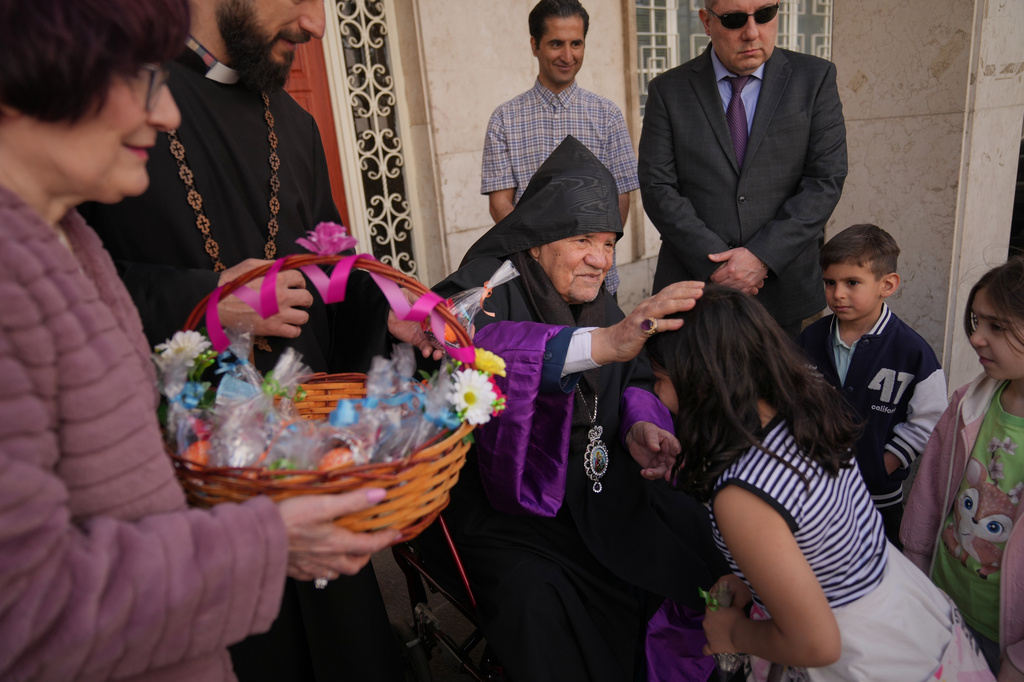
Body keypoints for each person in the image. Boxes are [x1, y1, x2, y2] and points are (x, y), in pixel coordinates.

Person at [0, 1, 400, 680]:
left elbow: (328, 269)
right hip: (188, 511)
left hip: (297, 460)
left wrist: (396, 308)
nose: (316, 24)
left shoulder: (295, 124)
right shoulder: (88, 141)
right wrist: (205, 300)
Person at [422, 135, 727, 682]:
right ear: (538, 238)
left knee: (694, 529)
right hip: (505, 504)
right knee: (536, 596)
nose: (601, 259)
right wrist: (602, 343)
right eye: (583, 239)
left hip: (598, 481)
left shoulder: (596, 296)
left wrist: (639, 425)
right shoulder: (482, 286)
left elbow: (634, 378)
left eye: (609, 243)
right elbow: (475, 352)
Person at [643, 285, 992, 681]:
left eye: (661, 378)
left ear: (702, 382)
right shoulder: (805, 411)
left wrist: (733, 632)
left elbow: (816, 643)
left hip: (856, 655)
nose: (657, 391)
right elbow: (816, 537)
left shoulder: (741, 494)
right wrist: (751, 581)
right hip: (900, 613)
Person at [637, 0, 847, 336]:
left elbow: (825, 180)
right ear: (706, 21)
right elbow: (657, 187)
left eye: (764, 15)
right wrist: (717, 265)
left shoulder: (815, 78)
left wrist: (762, 256)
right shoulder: (668, 90)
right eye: (734, 19)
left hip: (784, 292)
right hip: (693, 292)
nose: (751, 32)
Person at [902, 257, 1024, 681]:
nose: (975, 337)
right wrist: (917, 576)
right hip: (942, 604)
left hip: (1007, 641)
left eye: (997, 326)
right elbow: (929, 496)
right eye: (976, 321)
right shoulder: (967, 403)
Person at [795, 224, 947, 549]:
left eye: (852, 282)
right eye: (830, 282)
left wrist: (884, 463)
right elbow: (791, 398)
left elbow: (930, 419)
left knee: (879, 566)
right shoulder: (809, 339)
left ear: (887, 285)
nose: (838, 293)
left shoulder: (912, 352)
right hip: (812, 491)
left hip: (877, 499)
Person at [481, 0, 637, 295]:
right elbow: (500, 204)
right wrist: (541, 260)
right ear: (535, 45)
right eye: (556, 44)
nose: (568, 56)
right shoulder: (504, 119)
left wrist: (594, 255)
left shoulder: (607, 115)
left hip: (596, 281)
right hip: (531, 285)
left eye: (576, 43)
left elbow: (620, 197)